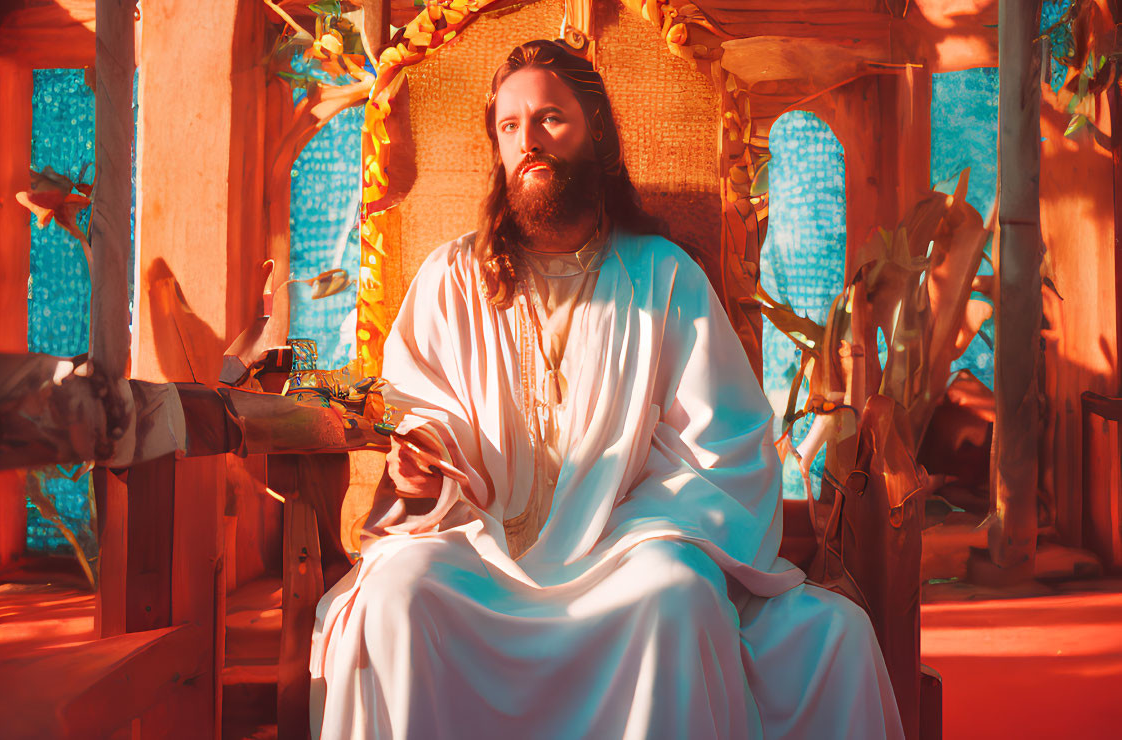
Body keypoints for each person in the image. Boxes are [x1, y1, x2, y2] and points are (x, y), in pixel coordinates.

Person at [311, 40, 903, 739]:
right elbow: (426, 410)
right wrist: (425, 456)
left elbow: (720, 453)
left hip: (626, 553)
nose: (527, 141)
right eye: (509, 127)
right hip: (478, 547)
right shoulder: (450, 278)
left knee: (676, 597)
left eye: (550, 119)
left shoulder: (662, 276)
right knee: (397, 598)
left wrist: (629, 526)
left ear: (597, 133)